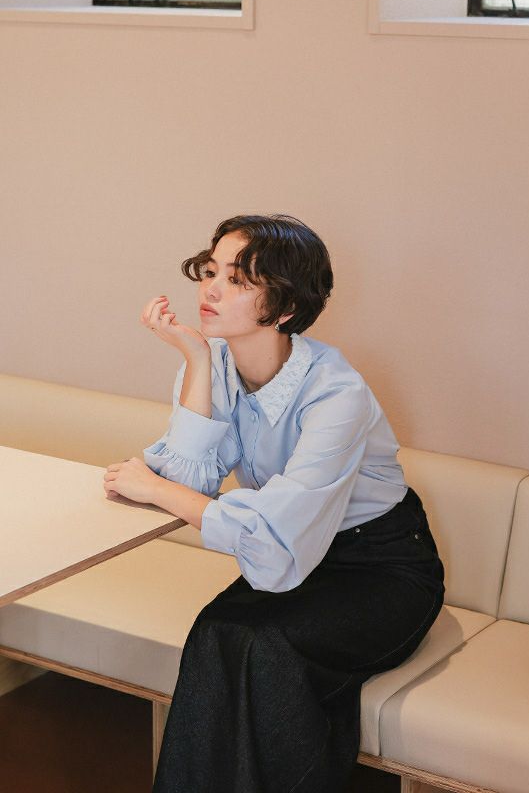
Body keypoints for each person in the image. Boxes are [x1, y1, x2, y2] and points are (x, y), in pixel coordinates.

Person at [103, 213, 445, 793]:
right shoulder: (218, 365)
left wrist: (156, 489)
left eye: (237, 279)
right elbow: (191, 476)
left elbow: (263, 532)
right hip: (298, 555)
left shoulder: (336, 393)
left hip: (381, 569)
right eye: (211, 271)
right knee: (216, 631)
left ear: (284, 307)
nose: (211, 289)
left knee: (265, 647)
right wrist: (195, 358)